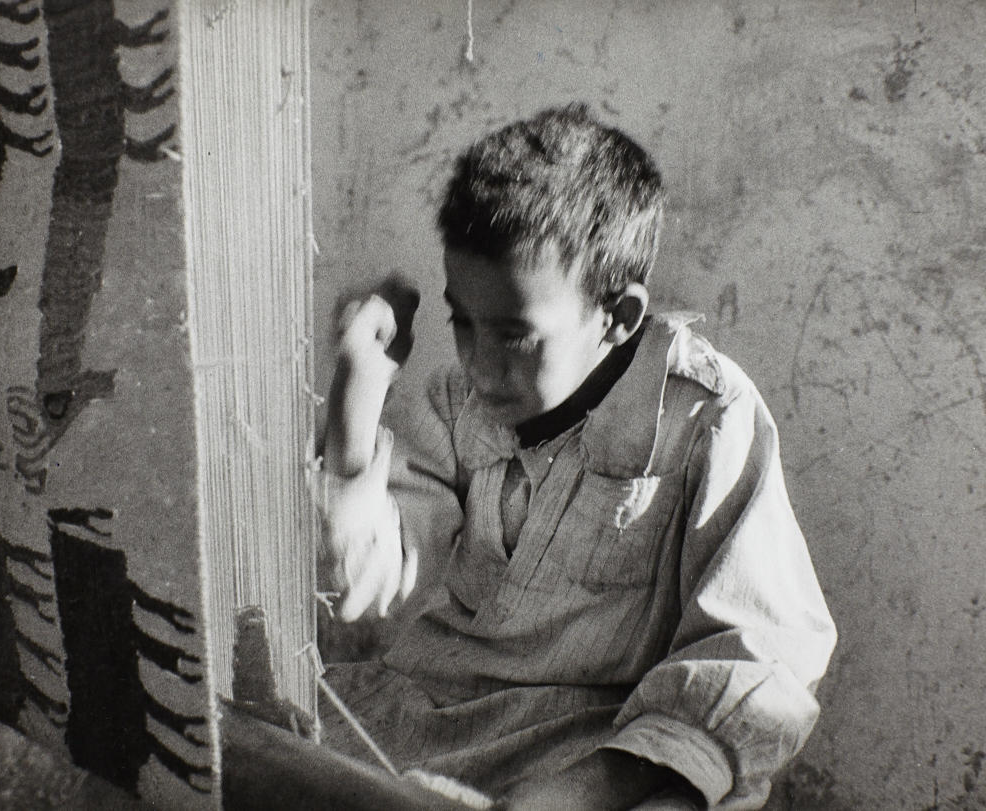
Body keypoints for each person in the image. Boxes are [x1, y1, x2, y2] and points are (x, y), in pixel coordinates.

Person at [314, 103, 836, 810]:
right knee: (258, 751)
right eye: (461, 324)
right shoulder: (451, 403)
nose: (479, 366)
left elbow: (762, 651)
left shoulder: (705, 414)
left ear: (617, 318)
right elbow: (365, 594)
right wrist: (356, 397)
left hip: (595, 753)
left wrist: (582, 790)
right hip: (427, 719)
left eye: (515, 336)